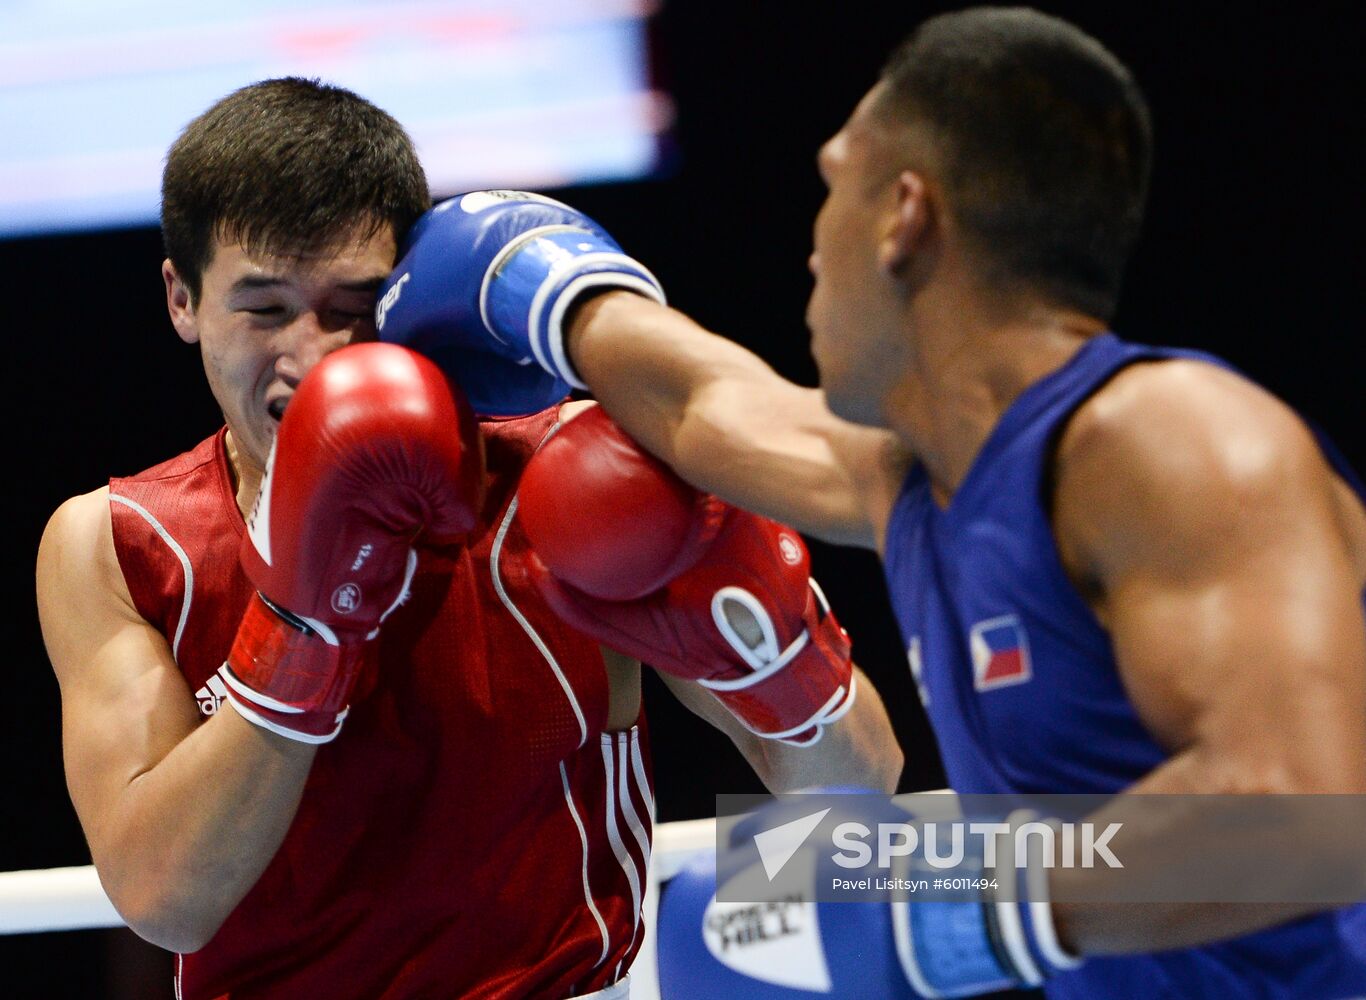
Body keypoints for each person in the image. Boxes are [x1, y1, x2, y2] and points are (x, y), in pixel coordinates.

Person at [372, 7, 1366, 998]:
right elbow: (704, 405)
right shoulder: (919, 478)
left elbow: (1301, 813)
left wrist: (941, 911)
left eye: (830, 186)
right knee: (736, 898)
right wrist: (548, 292)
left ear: (903, 216)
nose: (808, 248)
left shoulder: (1169, 439)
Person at [33, 78, 903, 1000]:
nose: (313, 357)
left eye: (352, 306)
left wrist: (771, 662)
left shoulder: (565, 483)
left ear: (411, 290)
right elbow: (165, 899)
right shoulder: (122, 542)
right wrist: (303, 632)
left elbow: (856, 785)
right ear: (182, 299)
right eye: (263, 309)